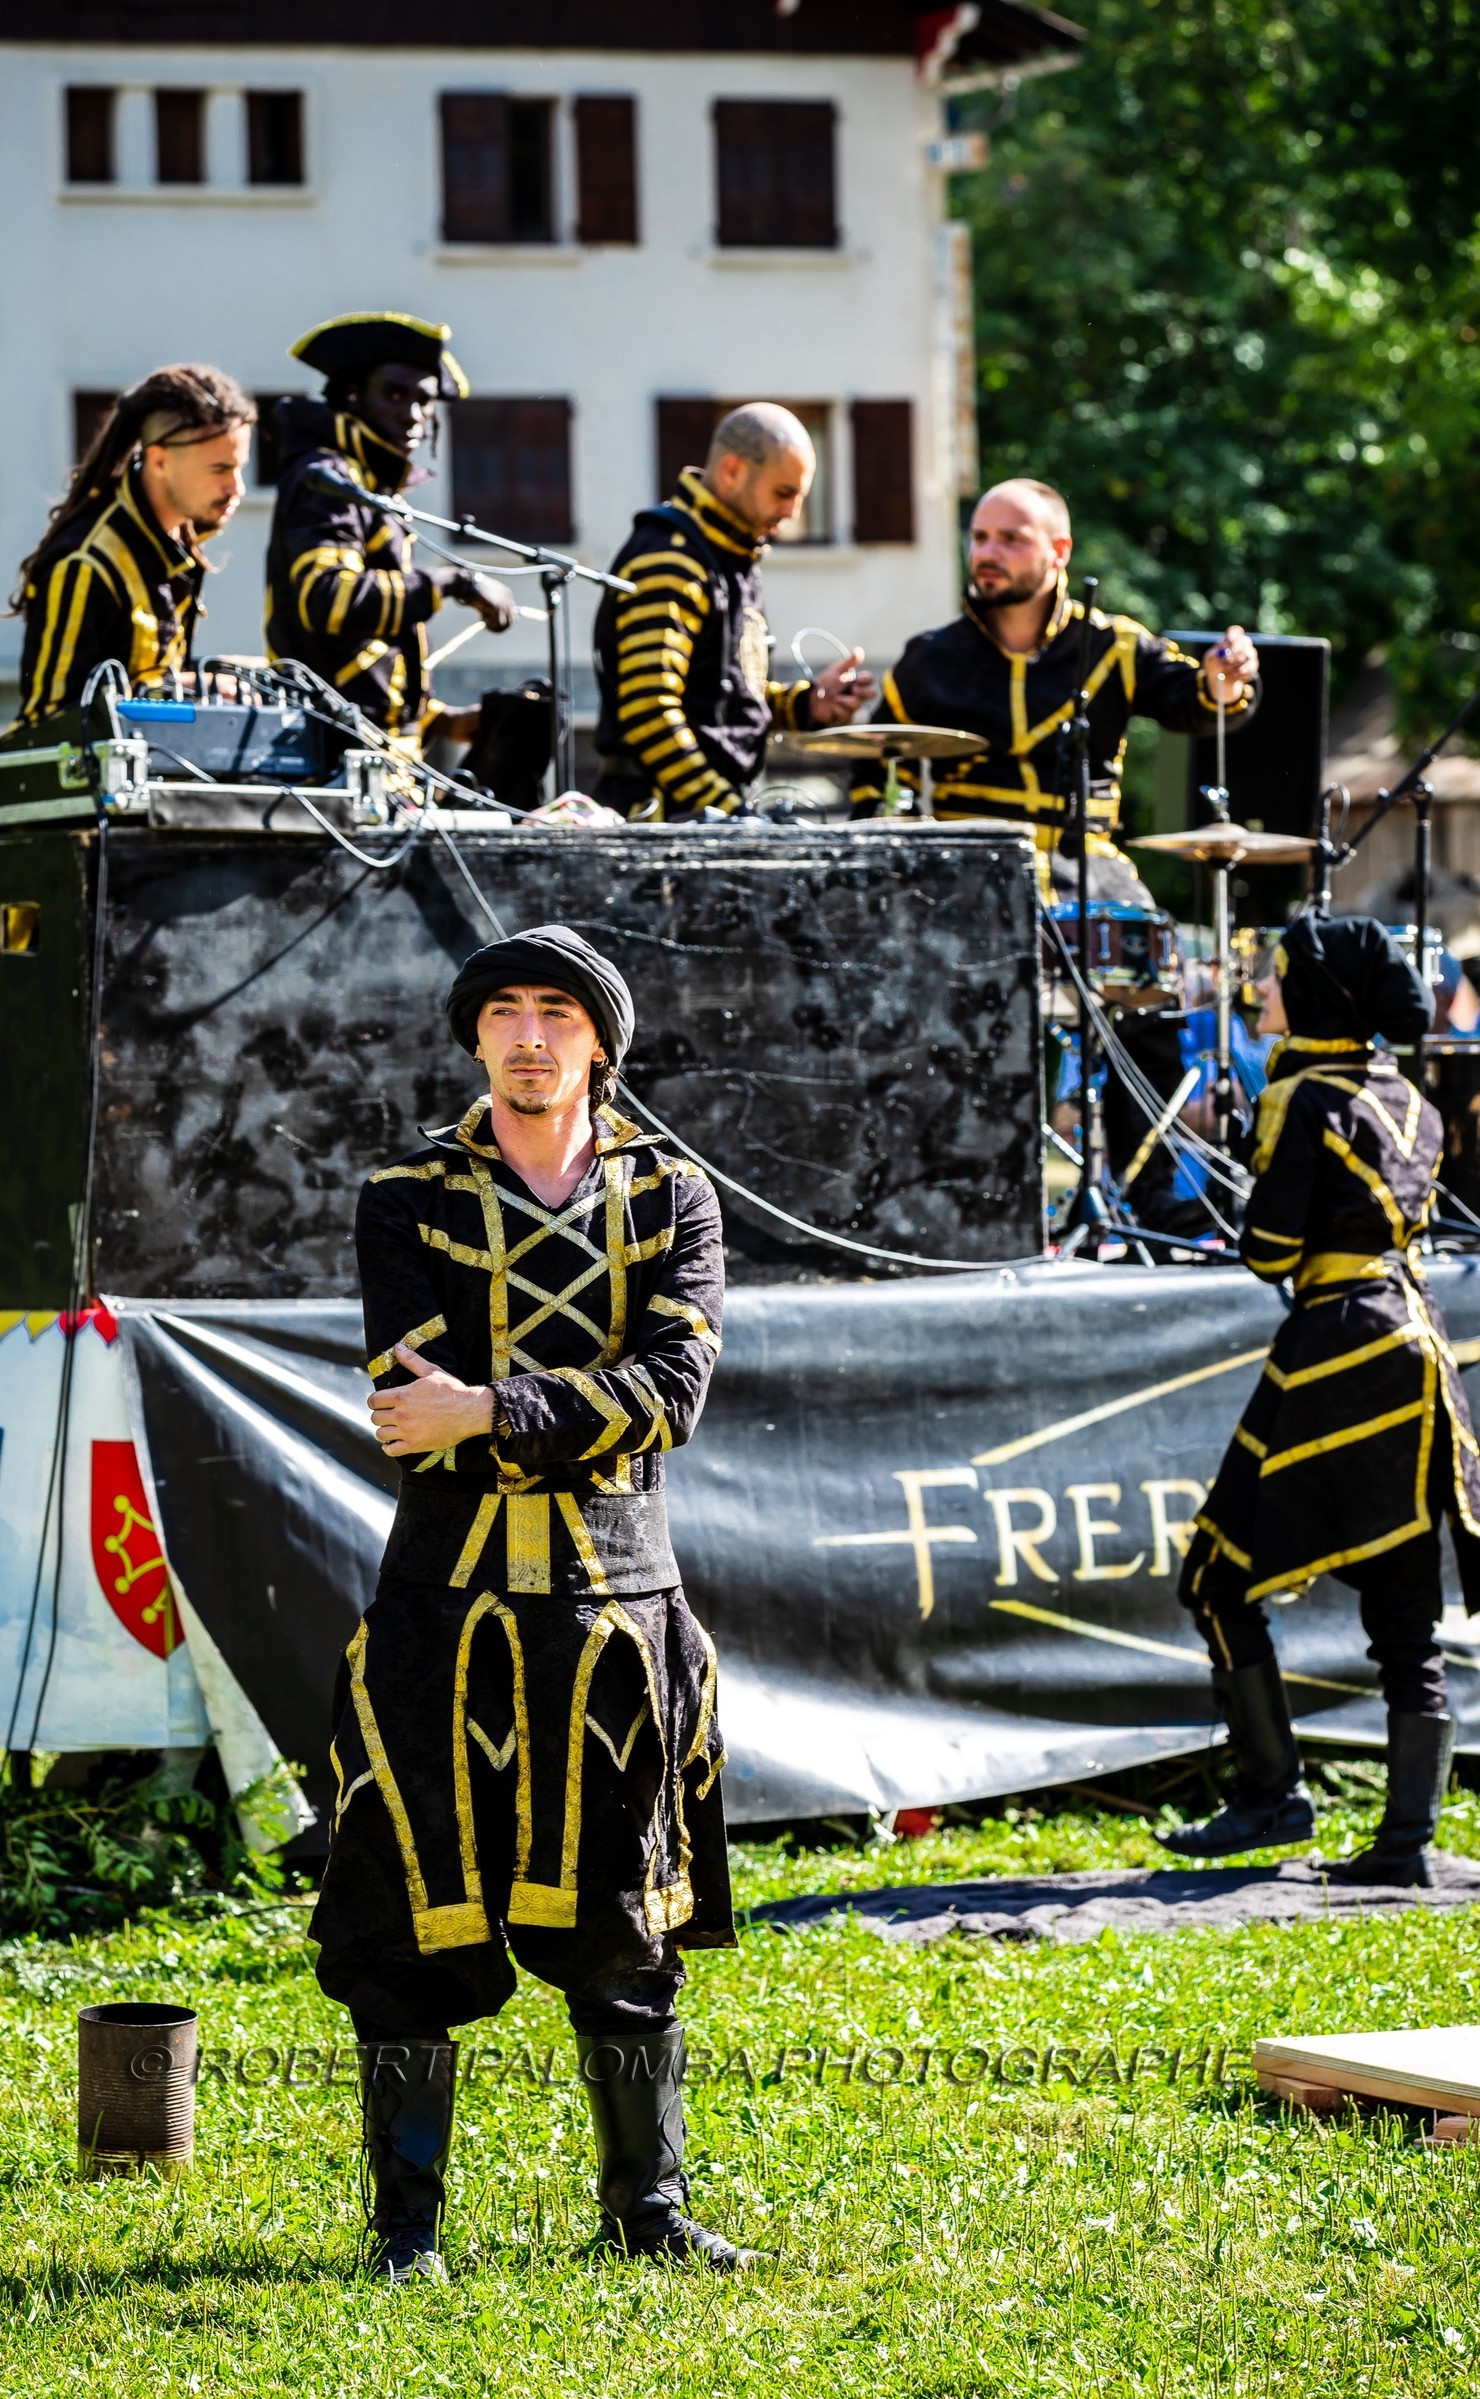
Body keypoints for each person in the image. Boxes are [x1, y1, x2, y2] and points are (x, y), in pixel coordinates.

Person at [309, 925, 747, 2280]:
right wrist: (562, 1410)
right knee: (404, 1917)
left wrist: (495, 1401)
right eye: (503, 1010)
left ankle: (649, 2212)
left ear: (600, 1041)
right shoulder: (407, 1192)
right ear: (476, 1037)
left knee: (628, 1921)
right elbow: (406, 1415)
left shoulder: (677, 1197)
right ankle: (404, 2229)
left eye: (557, 1009)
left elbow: (672, 1395)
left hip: (619, 1604)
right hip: (444, 1605)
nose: (529, 1032)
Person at [1164, 914, 1472, 1883]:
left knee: (1215, 1574)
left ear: (1318, 997)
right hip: (1419, 1347)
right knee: (1405, 1611)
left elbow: (1269, 1253)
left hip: (1338, 1342)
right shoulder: (1410, 1098)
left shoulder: (1299, 1096)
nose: (1260, 991)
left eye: (1275, 976)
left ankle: (1269, 1797)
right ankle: (1404, 1845)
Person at [850, 478, 1261, 902]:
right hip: (964, 876)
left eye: (1012, 539)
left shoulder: (1115, 646)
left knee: (1140, 950)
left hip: (1088, 875)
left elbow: (1193, 701)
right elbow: (880, 766)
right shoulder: (929, 658)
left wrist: (1224, 680)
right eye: (980, 537)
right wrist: (906, 855)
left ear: (1059, 551)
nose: (988, 553)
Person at [592, 403, 873, 821]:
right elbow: (650, 712)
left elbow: (722, 697)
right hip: (662, 827)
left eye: (800, 496)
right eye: (784, 493)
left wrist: (808, 705)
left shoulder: (727, 554)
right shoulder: (672, 561)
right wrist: (732, 814)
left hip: (707, 821)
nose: (793, 512)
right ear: (732, 471)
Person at [264, 313, 517, 748]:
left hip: (379, 757)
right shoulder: (328, 480)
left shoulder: (368, 484)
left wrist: (440, 721)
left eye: (425, 401)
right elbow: (328, 599)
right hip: (330, 757)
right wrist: (453, 581)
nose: (412, 415)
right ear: (351, 395)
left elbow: (368, 654)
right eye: (395, 395)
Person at [13, 364, 253, 725]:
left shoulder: (178, 539)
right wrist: (178, 689)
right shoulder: (86, 563)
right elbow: (51, 717)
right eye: (220, 469)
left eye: (240, 468)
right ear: (159, 460)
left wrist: (208, 683)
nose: (238, 488)